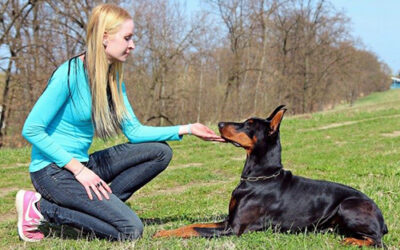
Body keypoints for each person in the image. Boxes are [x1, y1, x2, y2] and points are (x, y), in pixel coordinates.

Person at [16, 3, 224, 242]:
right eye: (127, 38)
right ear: (105, 37)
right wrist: (79, 170)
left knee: (159, 152)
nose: (132, 45)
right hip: (53, 172)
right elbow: (31, 128)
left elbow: (134, 131)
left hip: (85, 165)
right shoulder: (69, 74)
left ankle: (102, 209)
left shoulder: (112, 80)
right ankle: (41, 209)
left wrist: (188, 129)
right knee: (130, 230)